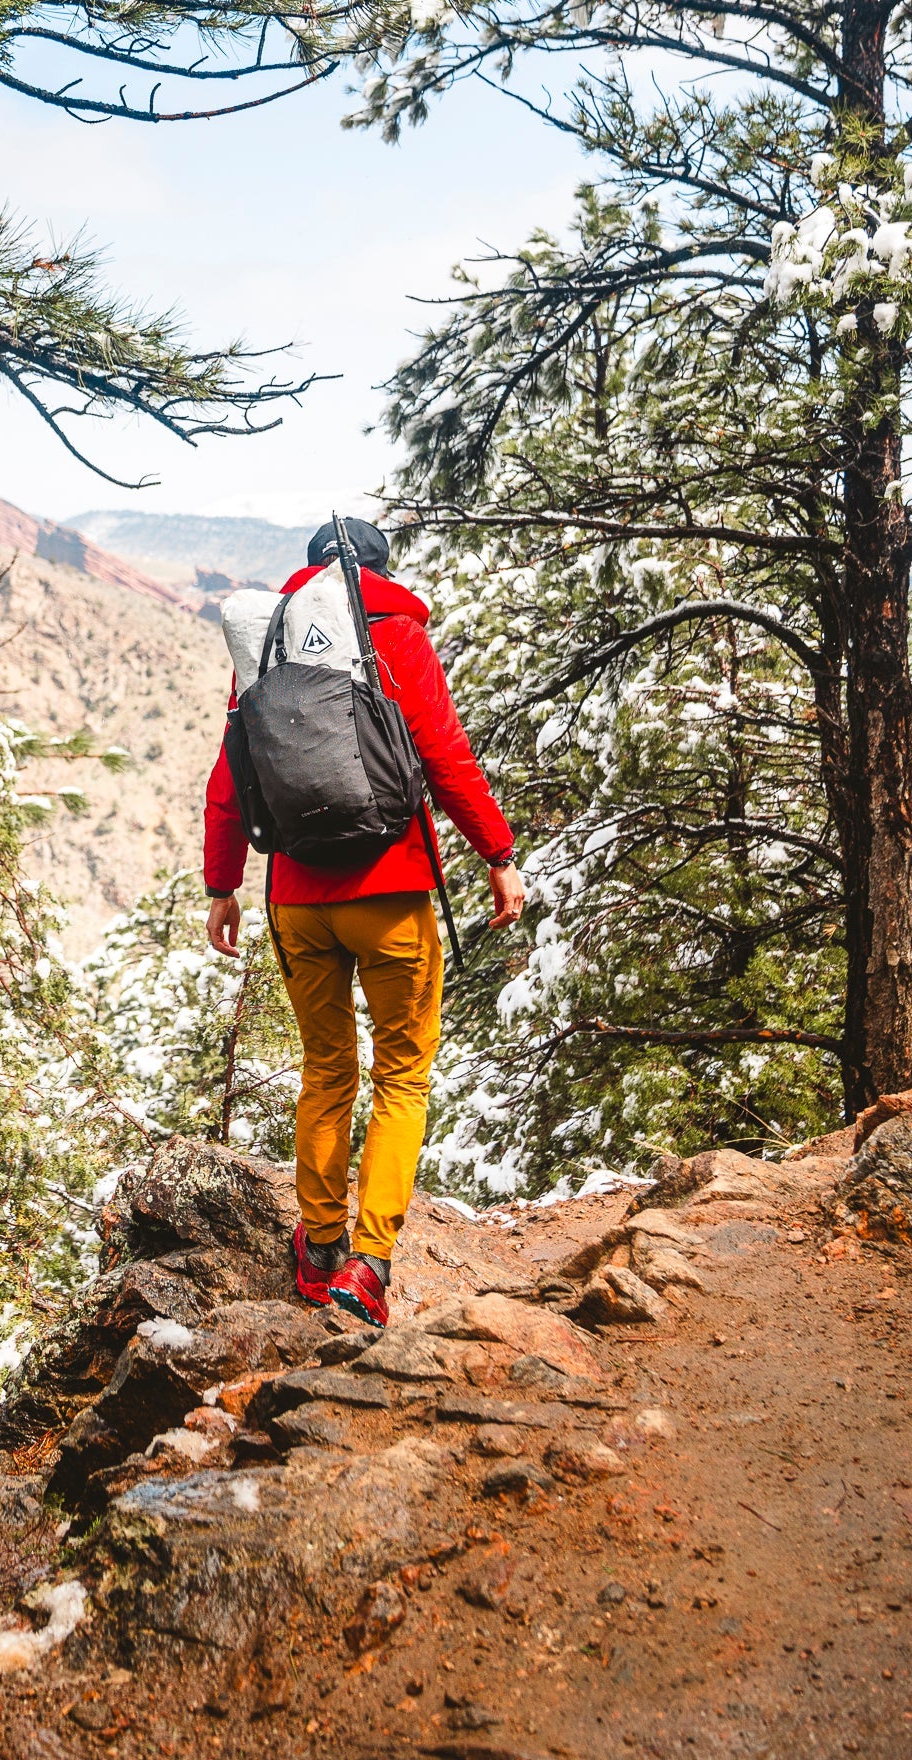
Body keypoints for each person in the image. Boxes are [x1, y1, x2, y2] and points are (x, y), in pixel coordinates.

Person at [202, 517, 523, 1327]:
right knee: (402, 1074)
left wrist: (221, 886)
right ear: (378, 572)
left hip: (298, 902)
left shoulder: (270, 651)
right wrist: (498, 851)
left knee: (327, 1069)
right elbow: (444, 754)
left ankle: (315, 1249)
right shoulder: (392, 637)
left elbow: (232, 776)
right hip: (391, 894)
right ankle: (367, 1266)